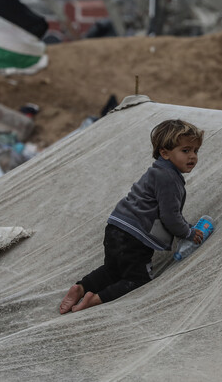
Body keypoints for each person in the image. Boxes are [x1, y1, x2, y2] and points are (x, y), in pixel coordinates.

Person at [59, 119, 205, 314]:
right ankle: (94, 299)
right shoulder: (169, 179)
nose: (193, 157)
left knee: (113, 270)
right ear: (164, 153)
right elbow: (170, 216)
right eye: (185, 150)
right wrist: (188, 232)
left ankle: (81, 287)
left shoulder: (156, 172)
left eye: (195, 151)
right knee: (138, 279)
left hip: (116, 227)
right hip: (134, 237)